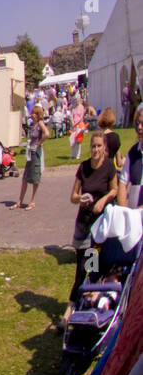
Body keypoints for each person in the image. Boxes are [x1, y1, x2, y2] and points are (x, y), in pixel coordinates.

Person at [62, 132, 119, 329]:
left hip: (98, 229)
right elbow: (73, 196)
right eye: (93, 146)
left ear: (104, 148)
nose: (95, 150)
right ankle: (73, 308)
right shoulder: (84, 167)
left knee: (91, 267)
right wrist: (81, 198)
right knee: (81, 267)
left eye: (98, 146)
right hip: (83, 225)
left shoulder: (109, 166)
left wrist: (103, 201)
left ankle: (81, 306)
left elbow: (115, 189)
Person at [16, 105, 48, 211]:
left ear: (38, 114)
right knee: (25, 178)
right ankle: (20, 201)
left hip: (35, 153)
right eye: (32, 112)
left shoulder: (40, 123)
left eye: (34, 113)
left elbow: (46, 133)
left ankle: (32, 201)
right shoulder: (33, 124)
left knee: (34, 178)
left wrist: (39, 143)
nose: (32, 114)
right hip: (30, 153)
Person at [120, 106, 143, 208]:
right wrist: (123, 211)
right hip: (135, 219)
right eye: (137, 124)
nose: (139, 128)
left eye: (142, 123)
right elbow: (122, 183)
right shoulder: (132, 153)